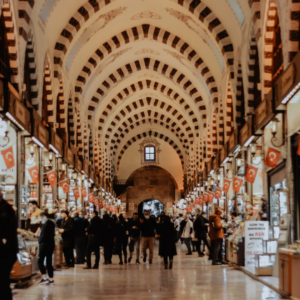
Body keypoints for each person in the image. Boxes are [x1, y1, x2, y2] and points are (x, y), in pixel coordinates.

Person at [0, 190, 18, 300]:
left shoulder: (5, 210)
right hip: (7, 251)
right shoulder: (6, 208)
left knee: (3, 281)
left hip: (5, 252)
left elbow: (5, 229)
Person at [37, 209, 55, 285]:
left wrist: (39, 240)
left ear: (44, 216)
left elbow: (43, 235)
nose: (40, 218)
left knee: (40, 261)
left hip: (44, 245)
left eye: (41, 217)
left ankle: (44, 278)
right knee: (49, 262)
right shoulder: (52, 223)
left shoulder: (46, 224)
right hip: (51, 245)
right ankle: (51, 279)